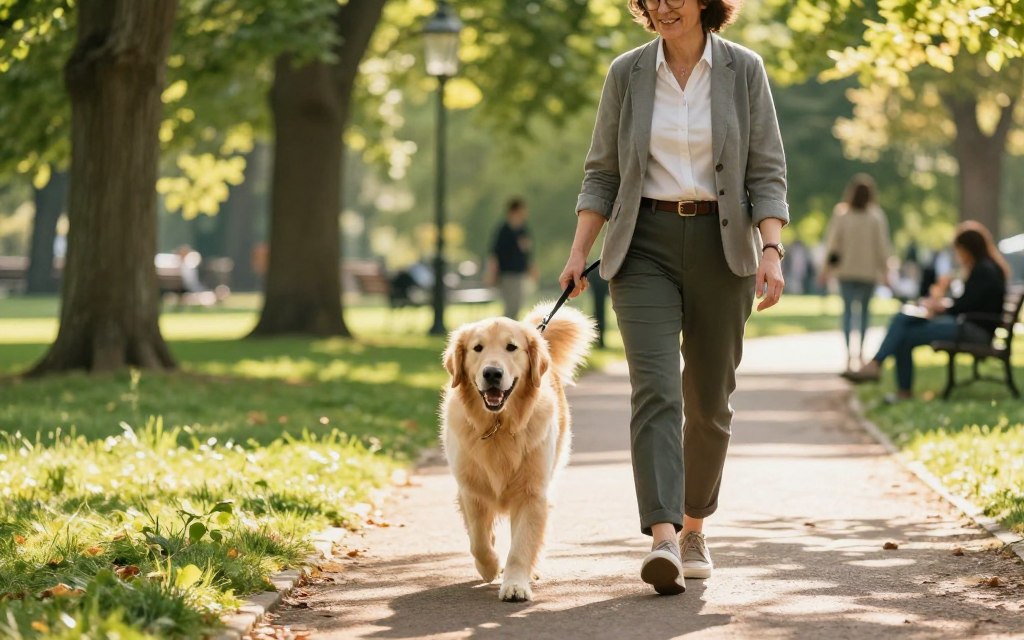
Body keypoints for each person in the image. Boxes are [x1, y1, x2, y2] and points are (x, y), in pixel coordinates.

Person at [558, 0, 788, 596]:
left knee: (709, 401)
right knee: (655, 387)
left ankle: (692, 529)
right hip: (644, 246)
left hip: (724, 246)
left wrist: (771, 250)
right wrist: (578, 250)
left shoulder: (745, 70)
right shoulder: (626, 73)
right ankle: (661, 536)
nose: (662, 6)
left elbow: (767, 169)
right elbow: (602, 171)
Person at [844, 221, 1009, 401]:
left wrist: (940, 307)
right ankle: (879, 368)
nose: (958, 256)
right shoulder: (985, 268)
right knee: (903, 320)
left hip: (973, 331)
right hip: (968, 326)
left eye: (959, 250)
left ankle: (884, 372)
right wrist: (942, 305)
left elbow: (965, 307)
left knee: (904, 333)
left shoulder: (984, 270)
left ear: (968, 248)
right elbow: (968, 303)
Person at [817, 174, 892, 372]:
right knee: (865, 314)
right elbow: (882, 247)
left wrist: (825, 271)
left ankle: (849, 355)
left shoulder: (842, 214)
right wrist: (886, 272)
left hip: (846, 272)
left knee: (849, 313)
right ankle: (860, 353)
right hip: (869, 273)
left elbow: (833, 245)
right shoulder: (876, 216)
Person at [486, 198, 538, 319]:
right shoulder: (503, 230)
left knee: (517, 306)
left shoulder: (523, 230)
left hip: (520, 273)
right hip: (507, 274)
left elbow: (527, 253)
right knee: (511, 307)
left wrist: (532, 269)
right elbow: (495, 254)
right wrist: (492, 273)